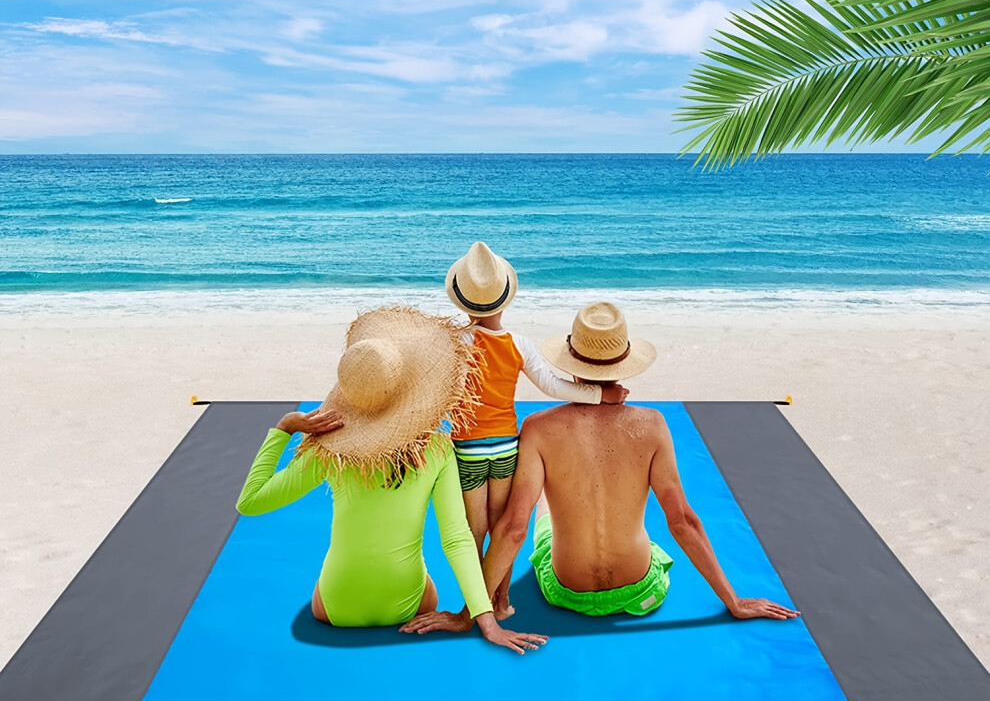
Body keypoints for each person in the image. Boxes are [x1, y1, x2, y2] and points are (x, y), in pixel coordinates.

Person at [401, 301, 800, 636]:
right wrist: (734, 601)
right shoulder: (653, 425)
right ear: (624, 364)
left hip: (566, 592)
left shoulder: (538, 429)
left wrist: (469, 613)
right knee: (645, 536)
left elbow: (512, 530)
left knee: (541, 508)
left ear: (572, 363)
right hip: (640, 593)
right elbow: (682, 522)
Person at [235, 305, 548, 654]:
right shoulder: (436, 450)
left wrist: (283, 429)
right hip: (407, 604)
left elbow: (250, 502)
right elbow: (457, 539)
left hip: (337, 609)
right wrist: (484, 622)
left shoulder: (329, 452)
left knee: (327, 578)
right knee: (426, 580)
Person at [445, 242, 626, 619]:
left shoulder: (457, 343)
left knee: (473, 535)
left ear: (463, 301)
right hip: (506, 448)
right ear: (504, 299)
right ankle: (501, 601)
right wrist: (600, 394)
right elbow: (552, 385)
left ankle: (472, 608)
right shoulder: (518, 344)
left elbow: (441, 395)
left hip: (468, 451)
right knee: (502, 533)